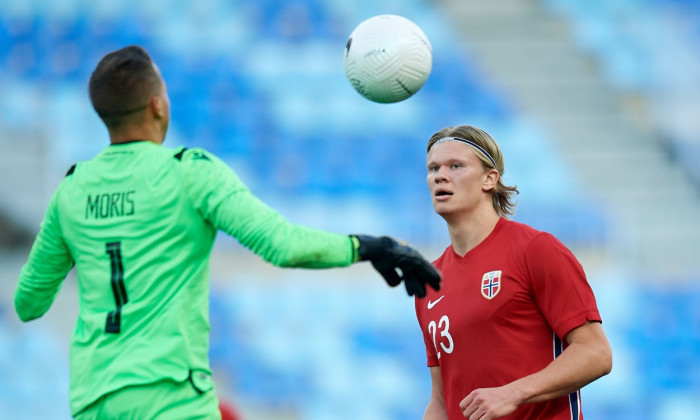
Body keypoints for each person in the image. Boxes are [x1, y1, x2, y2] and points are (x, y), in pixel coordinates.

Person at [13, 45, 441, 420]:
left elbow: (29, 303)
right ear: (157, 105)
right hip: (170, 396)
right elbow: (283, 245)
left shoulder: (71, 190)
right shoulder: (189, 173)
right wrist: (369, 247)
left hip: (93, 398)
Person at [414, 125, 612, 420]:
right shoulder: (428, 282)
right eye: (433, 168)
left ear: (489, 179)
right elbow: (441, 400)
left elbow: (596, 353)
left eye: (456, 166)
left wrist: (513, 393)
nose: (440, 176)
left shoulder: (535, 249)